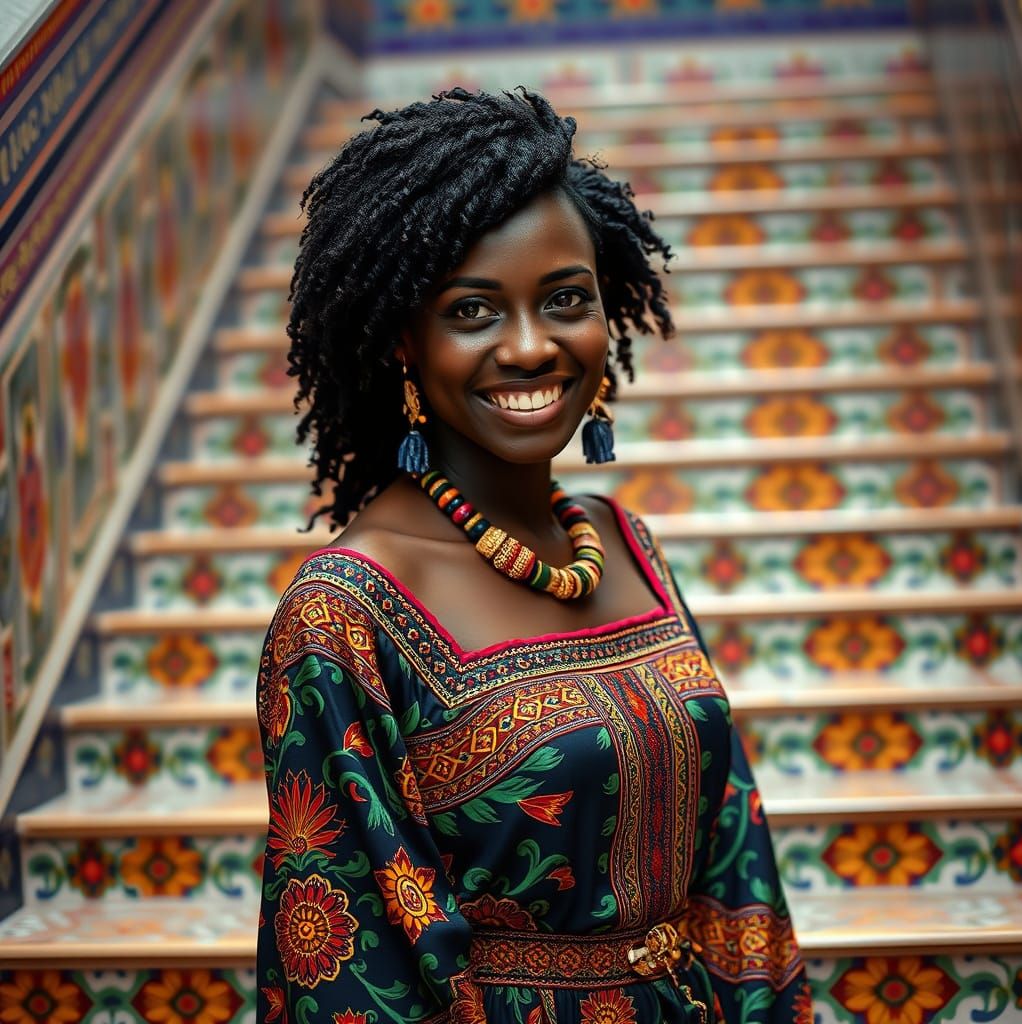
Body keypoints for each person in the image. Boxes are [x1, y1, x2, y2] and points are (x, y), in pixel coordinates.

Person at [256, 87, 811, 1024]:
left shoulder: (628, 545)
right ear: (405, 340)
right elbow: (351, 960)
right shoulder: (344, 613)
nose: (529, 346)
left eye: (565, 301)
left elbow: (735, 864)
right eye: (473, 310)